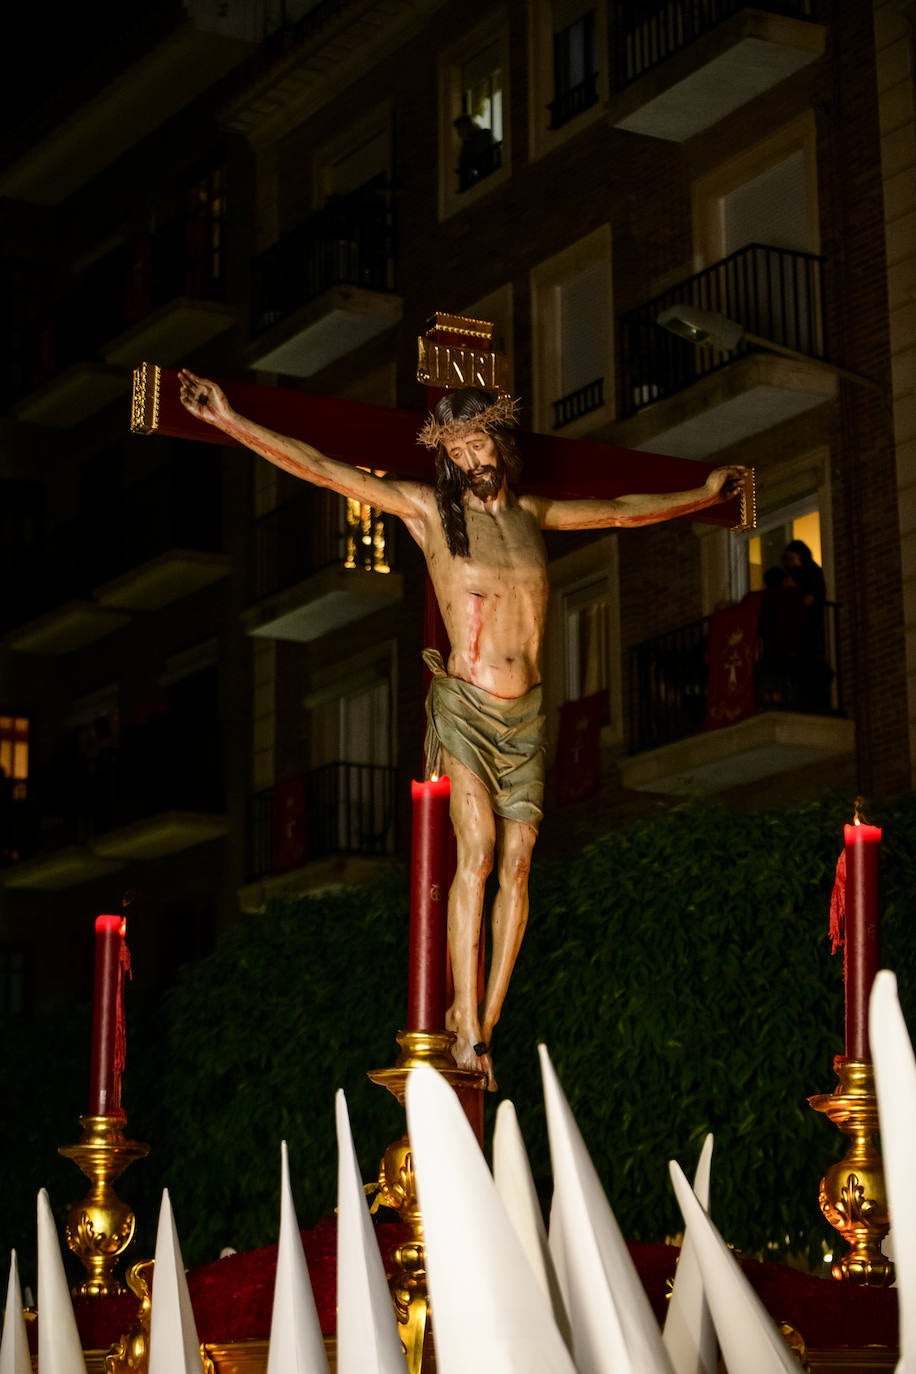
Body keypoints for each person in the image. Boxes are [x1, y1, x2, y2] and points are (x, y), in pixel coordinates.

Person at [178, 369, 744, 1086]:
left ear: (500, 446)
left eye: (481, 445)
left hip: (527, 711)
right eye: (459, 452)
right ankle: (464, 1017)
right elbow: (322, 468)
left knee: (519, 862)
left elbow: (621, 510)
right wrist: (229, 420)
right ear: (446, 459)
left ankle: (488, 1019)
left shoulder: (532, 514)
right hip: (466, 707)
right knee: (475, 851)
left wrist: (700, 494)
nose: (472, 461)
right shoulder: (425, 513)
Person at [758, 538, 831, 712]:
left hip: (807, 630)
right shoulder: (790, 578)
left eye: (792, 558)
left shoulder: (810, 572)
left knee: (807, 667)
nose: (790, 564)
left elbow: (813, 596)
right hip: (794, 634)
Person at [453, 114, 497, 191]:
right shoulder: (466, 146)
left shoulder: (484, 135)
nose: (458, 133)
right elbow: (463, 165)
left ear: (468, 126)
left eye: (460, 128)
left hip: (491, 173)